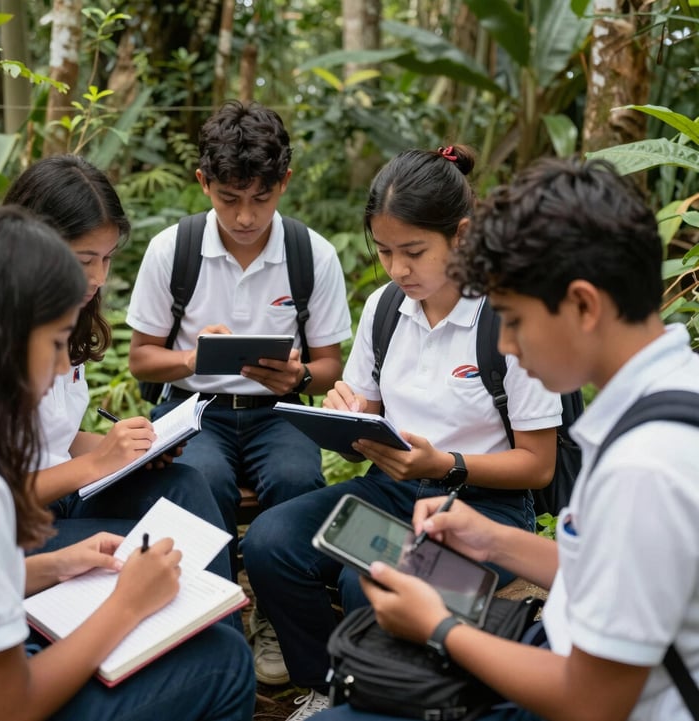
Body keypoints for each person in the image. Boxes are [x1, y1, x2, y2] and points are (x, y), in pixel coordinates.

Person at [313, 156, 699, 721]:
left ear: (584, 305)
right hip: (569, 648)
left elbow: (592, 702)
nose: (508, 346)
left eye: (513, 320)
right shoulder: (668, 390)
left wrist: (439, 627)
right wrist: (492, 541)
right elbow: (615, 575)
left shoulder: (644, 468)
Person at [242, 145, 563, 719]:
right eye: (386, 252)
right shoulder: (386, 309)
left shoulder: (505, 316)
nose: (397, 269)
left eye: (413, 252)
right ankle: (328, 684)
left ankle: (394, 695)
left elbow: (537, 464)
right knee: (269, 541)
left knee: (357, 577)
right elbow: (366, 406)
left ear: (461, 235)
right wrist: (342, 409)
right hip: (392, 487)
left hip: (484, 508)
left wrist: (445, 465)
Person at [0, 206, 255, 721]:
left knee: (187, 487)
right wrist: (126, 605)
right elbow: (8, 708)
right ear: (1, 335)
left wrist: (51, 566)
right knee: (224, 662)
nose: (64, 365)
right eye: (58, 343)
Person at [126, 101, 352, 683]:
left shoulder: (311, 256)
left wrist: (299, 378)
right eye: (229, 199)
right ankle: (216, 616)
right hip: (194, 410)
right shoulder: (171, 251)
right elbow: (141, 358)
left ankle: (277, 616)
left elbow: (330, 365)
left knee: (297, 480)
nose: (246, 216)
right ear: (204, 182)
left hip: (278, 412)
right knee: (200, 483)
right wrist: (191, 357)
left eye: (261, 198)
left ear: (285, 183)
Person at [2, 155, 233, 585]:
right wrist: (96, 464)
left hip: (65, 499)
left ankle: (221, 617)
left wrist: (129, 448)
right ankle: (209, 641)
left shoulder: (65, 315)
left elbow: (53, 437)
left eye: (106, 259)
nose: (97, 277)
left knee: (185, 486)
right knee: (169, 545)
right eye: (84, 259)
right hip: (15, 531)